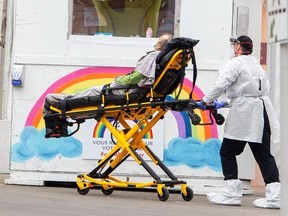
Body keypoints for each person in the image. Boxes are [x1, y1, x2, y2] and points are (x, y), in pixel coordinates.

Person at [201, 35, 281, 209]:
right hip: (261, 112)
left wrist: (206, 100)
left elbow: (221, 84)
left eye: (234, 45)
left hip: (244, 114)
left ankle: (231, 192)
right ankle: (275, 196)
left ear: (238, 48)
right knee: (263, 154)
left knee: (228, 151)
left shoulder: (235, 63)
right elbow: (252, 91)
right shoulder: (256, 65)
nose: (233, 48)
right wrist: (225, 102)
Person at [43, 34, 173, 115]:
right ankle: (59, 99)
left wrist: (118, 80)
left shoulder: (152, 56)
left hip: (125, 92)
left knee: (92, 91)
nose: (156, 43)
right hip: (137, 92)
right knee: (90, 92)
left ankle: (55, 101)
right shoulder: (164, 60)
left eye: (158, 41)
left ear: (160, 45)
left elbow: (135, 77)